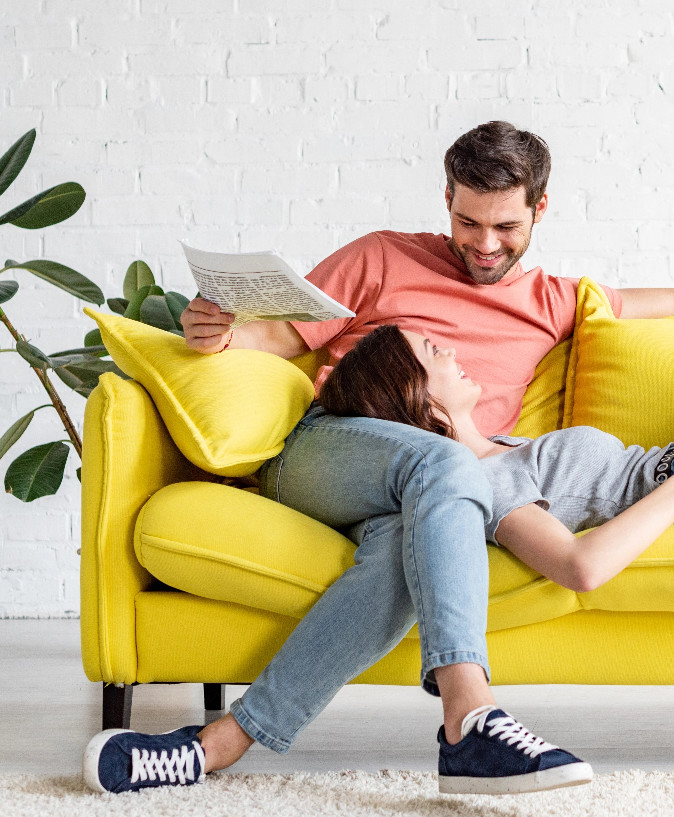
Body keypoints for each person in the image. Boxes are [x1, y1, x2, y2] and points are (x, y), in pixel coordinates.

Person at [83, 121, 674, 797]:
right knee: (451, 466)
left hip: (432, 496)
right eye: (467, 219)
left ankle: (211, 747)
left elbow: (652, 304)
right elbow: (276, 336)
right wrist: (216, 336)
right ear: (446, 197)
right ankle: (468, 715)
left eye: (506, 227)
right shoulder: (381, 257)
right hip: (329, 450)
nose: (484, 243)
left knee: (415, 530)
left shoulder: (555, 300)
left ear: (540, 208)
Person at [320, 324, 674, 595]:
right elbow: (580, 567)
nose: (449, 352)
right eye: (432, 352)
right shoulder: (481, 479)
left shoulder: (500, 447)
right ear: (410, 391)